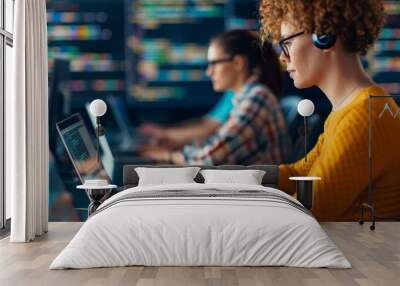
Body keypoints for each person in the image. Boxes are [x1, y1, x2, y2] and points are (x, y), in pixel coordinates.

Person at [259, 0, 400, 220]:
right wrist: (228, 177)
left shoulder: (364, 117)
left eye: (287, 43)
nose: (282, 57)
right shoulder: (352, 108)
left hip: (352, 253)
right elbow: (300, 173)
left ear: (325, 36)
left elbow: (304, 215)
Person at [140, 29, 291, 165]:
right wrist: (181, 148)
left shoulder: (257, 97)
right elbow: (217, 142)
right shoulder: (245, 97)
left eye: (214, 63)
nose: (209, 72)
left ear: (238, 63)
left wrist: (168, 155)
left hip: (256, 193)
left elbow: (209, 160)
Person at [139, 91, 234, 149]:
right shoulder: (230, 92)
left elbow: (208, 130)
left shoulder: (237, 95)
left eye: (215, 63)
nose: (209, 72)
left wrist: (165, 133)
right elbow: (206, 122)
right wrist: (167, 131)